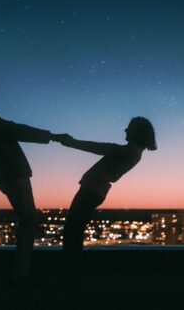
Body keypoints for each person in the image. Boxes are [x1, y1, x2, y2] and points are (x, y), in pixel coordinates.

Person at [0, 71, 66, 285]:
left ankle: (21, 272)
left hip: (8, 170)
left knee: (29, 219)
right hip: (10, 170)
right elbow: (12, 129)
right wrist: (50, 136)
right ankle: (21, 274)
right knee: (29, 220)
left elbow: (8, 130)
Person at [59, 117, 157, 276]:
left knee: (72, 230)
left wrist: (71, 142)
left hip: (92, 189)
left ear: (138, 132)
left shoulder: (130, 151)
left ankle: (70, 270)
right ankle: (71, 268)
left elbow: (99, 148)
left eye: (129, 128)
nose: (125, 130)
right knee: (74, 230)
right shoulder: (134, 152)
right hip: (95, 190)